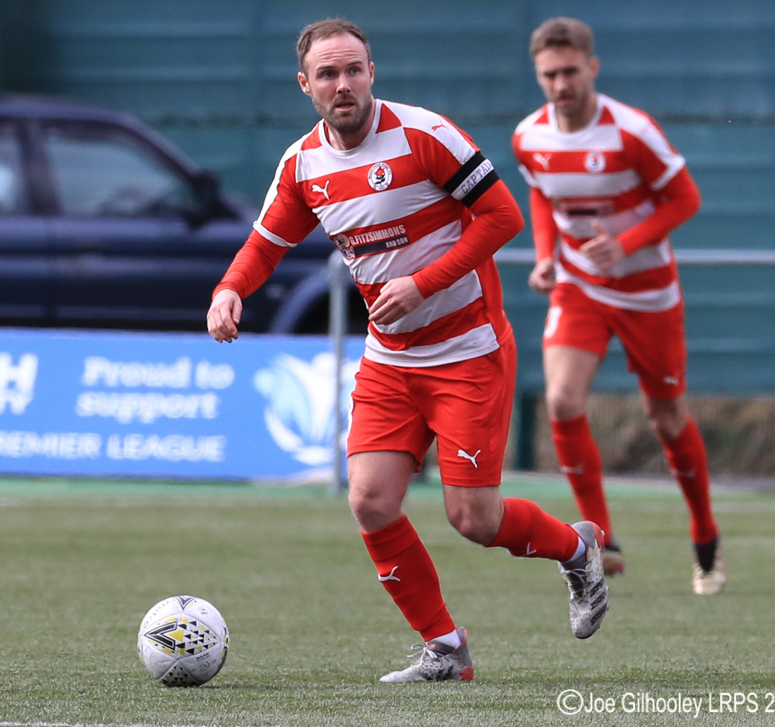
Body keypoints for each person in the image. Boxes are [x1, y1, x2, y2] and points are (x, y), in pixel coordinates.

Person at [207, 18, 609, 683]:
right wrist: (229, 290)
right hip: (391, 359)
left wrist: (422, 283)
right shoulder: (303, 163)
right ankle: (446, 648)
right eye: (328, 74)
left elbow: (503, 217)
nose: (344, 84)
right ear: (305, 84)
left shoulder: (425, 135)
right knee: (369, 500)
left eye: (354, 69)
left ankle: (577, 547)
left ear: (373, 72)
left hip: (468, 350)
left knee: (473, 519)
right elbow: (266, 243)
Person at [511, 17, 725, 595]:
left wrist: (626, 244)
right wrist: (546, 256)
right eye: (549, 74)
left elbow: (685, 198)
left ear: (592, 68)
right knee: (560, 399)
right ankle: (601, 539)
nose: (560, 84)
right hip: (579, 287)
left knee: (667, 419)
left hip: (649, 293)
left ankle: (705, 535)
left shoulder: (632, 132)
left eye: (570, 72)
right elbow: (540, 190)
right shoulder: (530, 135)